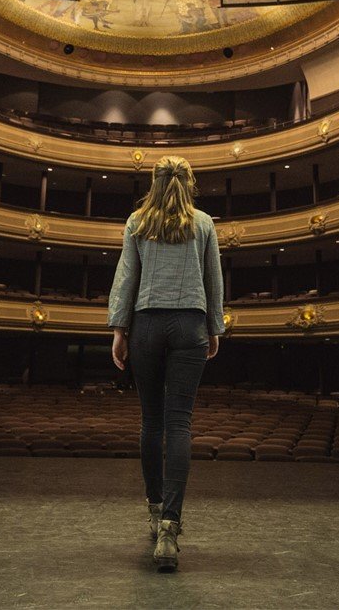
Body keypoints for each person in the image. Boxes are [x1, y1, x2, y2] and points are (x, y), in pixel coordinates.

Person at [109, 155, 224, 572]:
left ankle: (155, 509)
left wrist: (119, 330)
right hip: (190, 324)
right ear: (188, 184)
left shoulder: (137, 222)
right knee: (179, 424)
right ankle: (170, 529)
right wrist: (214, 328)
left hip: (147, 326)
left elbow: (126, 278)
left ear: (153, 184)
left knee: (151, 423)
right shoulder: (205, 223)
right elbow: (214, 279)